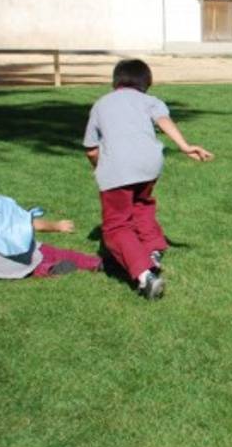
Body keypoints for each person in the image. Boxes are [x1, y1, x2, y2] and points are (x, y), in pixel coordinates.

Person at [83, 59, 213, 299]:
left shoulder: (101, 104)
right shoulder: (150, 101)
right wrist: (185, 147)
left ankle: (145, 275)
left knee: (115, 226)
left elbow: (91, 148)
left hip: (119, 168)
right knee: (141, 206)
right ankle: (152, 249)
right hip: (150, 164)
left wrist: (99, 167)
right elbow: (164, 121)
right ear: (146, 83)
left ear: (116, 81)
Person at [0, 162, 101, 279]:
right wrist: (57, 226)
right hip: (22, 256)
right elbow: (30, 224)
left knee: (34, 267)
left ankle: (49, 269)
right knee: (49, 252)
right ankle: (94, 262)